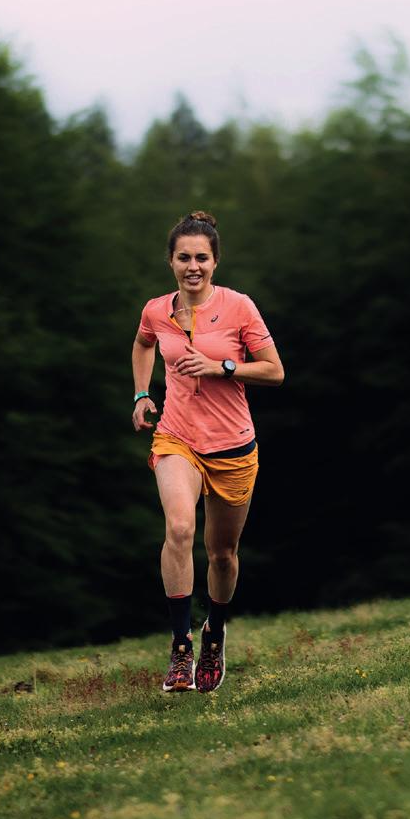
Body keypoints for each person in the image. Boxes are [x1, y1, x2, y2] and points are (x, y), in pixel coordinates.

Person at [131, 211, 284, 692]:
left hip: (232, 446)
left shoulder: (239, 307)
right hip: (177, 437)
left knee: (222, 554)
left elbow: (275, 370)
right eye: (184, 258)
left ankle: (214, 633)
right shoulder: (157, 310)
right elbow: (143, 344)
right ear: (171, 262)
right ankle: (181, 649)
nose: (192, 266)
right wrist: (141, 394)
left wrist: (223, 366)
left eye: (201, 258)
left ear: (215, 261)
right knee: (179, 529)